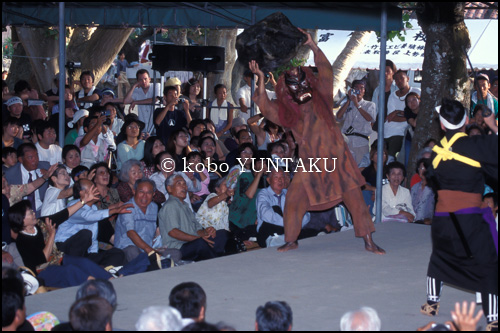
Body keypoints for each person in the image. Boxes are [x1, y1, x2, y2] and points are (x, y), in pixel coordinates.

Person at [249, 28, 384, 253]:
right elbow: (266, 107)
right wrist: (261, 79)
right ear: (288, 92)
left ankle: (369, 241)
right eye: (293, 84)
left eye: (301, 80)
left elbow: (326, 71)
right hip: (310, 163)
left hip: (338, 159)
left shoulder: (322, 95)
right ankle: (291, 239)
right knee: (294, 198)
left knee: (355, 200)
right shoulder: (288, 113)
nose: (299, 86)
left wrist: (313, 46)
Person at [421, 99, 498, 331]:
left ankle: (431, 304)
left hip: (443, 219)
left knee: (439, 257)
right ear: (466, 121)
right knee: (487, 264)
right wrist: (492, 125)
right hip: (469, 218)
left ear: (442, 126)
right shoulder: (476, 145)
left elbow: (434, 179)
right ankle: (493, 319)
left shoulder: (435, 152)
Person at [55, 179, 132, 266]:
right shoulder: (73, 206)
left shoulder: (94, 208)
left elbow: (93, 239)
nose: (97, 189)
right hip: (65, 250)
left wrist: (94, 255)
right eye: (93, 188)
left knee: (117, 253)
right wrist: (114, 210)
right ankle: (74, 269)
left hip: (84, 253)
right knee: (85, 234)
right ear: (82, 193)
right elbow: (87, 217)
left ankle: (100, 272)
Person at [158, 173, 229, 261]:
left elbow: (197, 231)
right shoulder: (170, 205)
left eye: (185, 184)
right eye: (179, 184)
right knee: (201, 243)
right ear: (169, 188)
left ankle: (216, 258)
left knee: (222, 234)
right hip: (178, 247)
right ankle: (217, 261)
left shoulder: (186, 206)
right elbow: (173, 232)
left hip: (192, 242)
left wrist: (206, 232)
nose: (184, 187)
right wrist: (198, 238)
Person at [256, 167, 317, 248]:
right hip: (269, 232)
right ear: (268, 180)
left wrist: (296, 226)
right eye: (276, 177)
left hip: (289, 231)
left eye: (282, 177)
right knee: (275, 209)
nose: (280, 180)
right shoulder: (263, 194)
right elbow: (265, 214)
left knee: (313, 232)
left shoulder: (289, 193)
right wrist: (288, 224)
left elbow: (305, 212)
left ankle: (290, 237)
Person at [115, 179, 159, 262]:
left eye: (149, 192)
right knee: (133, 252)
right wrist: (149, 249)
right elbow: (130, 233)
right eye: (141, 192)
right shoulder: (127, 207)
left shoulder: (154, 207)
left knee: (174, 253)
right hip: (127, 249)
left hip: (148, 249)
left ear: (153, 194)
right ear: (134, 191)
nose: (144, 196)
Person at [4, 143, 51, 218]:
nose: (35, 160)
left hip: (43, 211)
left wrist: (50, 175)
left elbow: (61, 170)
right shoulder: (9, 174)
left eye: (36, 156)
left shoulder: (45, 166)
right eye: (30, 157)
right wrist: (45, 177)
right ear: (20, 159)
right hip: (21, 215)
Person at [336, 80, 376, 165]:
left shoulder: (370, 104)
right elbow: (338, 117)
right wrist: (348, 100)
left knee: (360, 168)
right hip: (346, 141)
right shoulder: (347, 104)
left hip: (361, 142)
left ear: (364, 91)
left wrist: (357, 104)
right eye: (356, 88)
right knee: (345, 167)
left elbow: (370, 118)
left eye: (361, 88)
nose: (359, 90)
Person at [384, 70, 421, 158]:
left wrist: (400, 113)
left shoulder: (417, 92)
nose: (399, 81)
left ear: (408, 79)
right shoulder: (393, 95)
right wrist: (408, 116)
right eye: (396, 79)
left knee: (392, 157)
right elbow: (390, 117)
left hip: (401, 133)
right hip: (387, 131)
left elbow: (418, 112)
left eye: (401, 78)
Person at [124, 69, 161, 135]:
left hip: (156, 127)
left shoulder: (156, 86)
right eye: (140, 80)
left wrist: (136, 102)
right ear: (137, 81)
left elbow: (155, 99)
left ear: (149, 79)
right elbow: (126, 101)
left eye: (145, 79)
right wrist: (133, 86)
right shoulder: (136, 90)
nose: (143, 81)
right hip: (143, 128)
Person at [371, 59, 398, 133]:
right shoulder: (377, 90)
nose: (385, 73)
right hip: (378, 125)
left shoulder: (397, 88)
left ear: (393, 72)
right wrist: (372, 122)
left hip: (394, 124)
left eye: (388, 70)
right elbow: (374, 107)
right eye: (383, 70)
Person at [411, 158, 435, 224]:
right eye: (421, 168)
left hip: (428, 224)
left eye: (426, 168)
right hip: (414, 223)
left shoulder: (435, 188)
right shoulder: (414, 187)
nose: (423, 171)